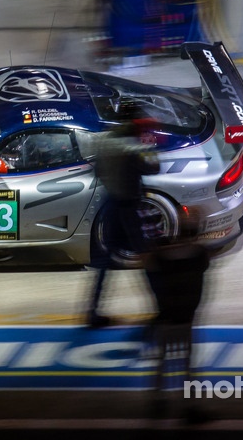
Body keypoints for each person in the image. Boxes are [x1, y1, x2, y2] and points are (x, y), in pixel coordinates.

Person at [85, 112, 160, 327]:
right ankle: (158, 307)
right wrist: (149, 145)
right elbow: (153, 167)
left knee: (105, 262)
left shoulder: (105, 140)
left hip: (111, 205)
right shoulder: (132, 147)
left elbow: (98, 171)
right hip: (129, 209)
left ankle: (93, 312)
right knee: (147, 258)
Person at [142, 216, 210, 420]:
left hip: (165, 317)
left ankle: (158, 402)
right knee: (187, 363)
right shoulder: (199, 256)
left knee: (162, 361)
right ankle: (188, 406)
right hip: (186, 318)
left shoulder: (162, 257)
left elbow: (149, 267)